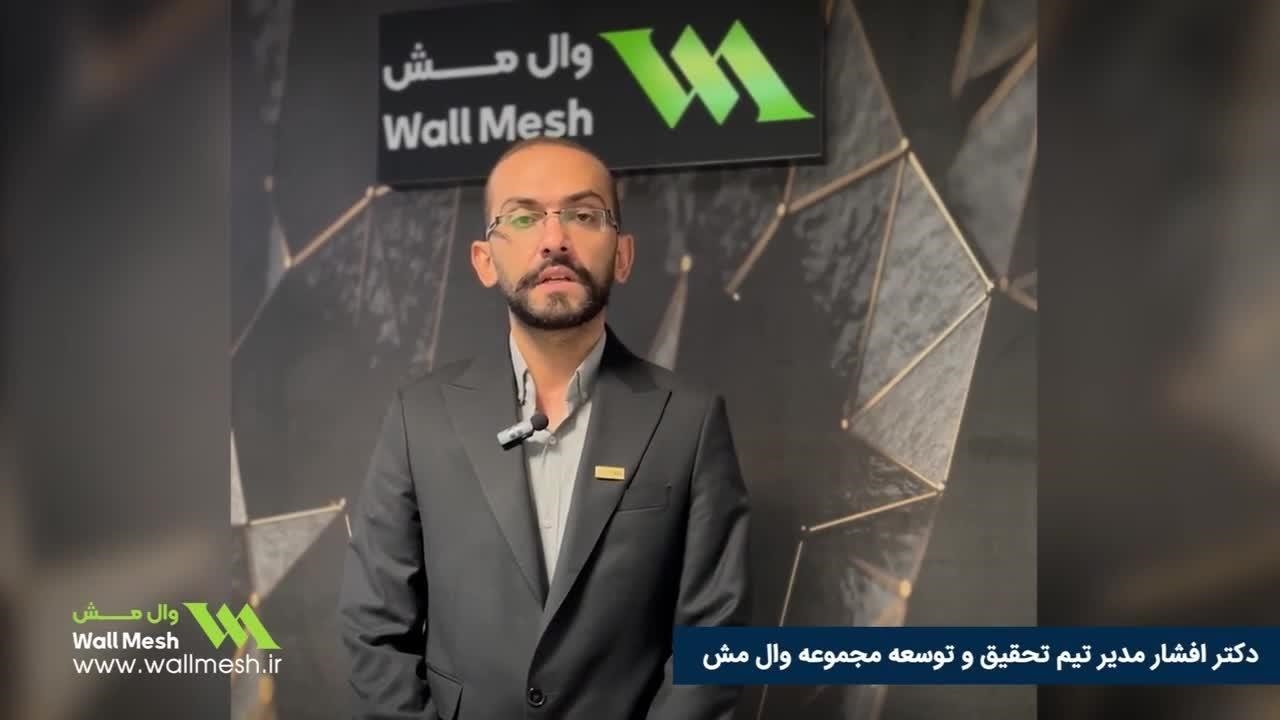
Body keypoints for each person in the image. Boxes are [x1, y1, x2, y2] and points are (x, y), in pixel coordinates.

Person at [339, 136, 752, 720]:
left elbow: (715, 640)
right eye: (523, 216)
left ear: (623, 255)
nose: (554, 239)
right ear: (485, 260)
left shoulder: (691, 419)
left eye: (584, 215)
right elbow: (374, 627)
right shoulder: (419, 416)